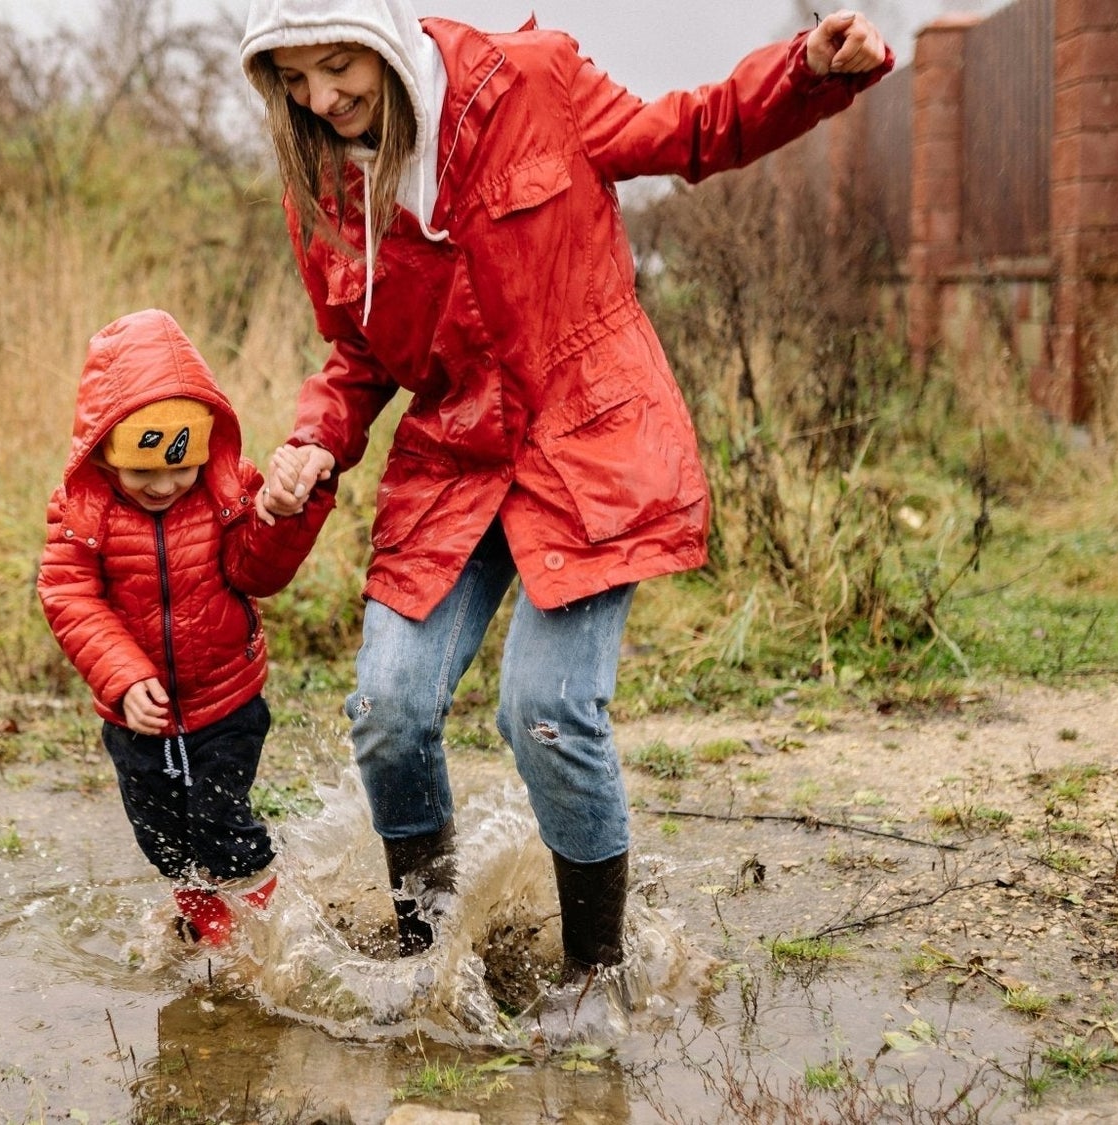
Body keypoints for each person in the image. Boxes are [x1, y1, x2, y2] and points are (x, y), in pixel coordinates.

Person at [242, 1, 891, 977]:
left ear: (384, 37)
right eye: (292, 80)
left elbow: (690, 129)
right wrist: (309, 444)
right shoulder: (321, 186)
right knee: (386, 708)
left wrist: (808, 70)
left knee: (543, 711)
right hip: (452, 456)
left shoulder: (529, 83)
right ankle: (426, 951)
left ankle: (594, 976)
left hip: (586, 437)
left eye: (338, 66)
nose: (321, 99)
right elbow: (354, 355)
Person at [39, 308, 336, 946]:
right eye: (143, 470)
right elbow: (67, 592)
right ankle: (208, 926)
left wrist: (280, 518)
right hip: (137, 715)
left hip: (225, 700)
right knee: (162, 837)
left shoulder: (227, 491)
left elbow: (256, 572)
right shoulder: (82, 511)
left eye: (181, 467)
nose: (165, 484)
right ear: (105, 451)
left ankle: (268, 931)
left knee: (220, 822)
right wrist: (122, 677)